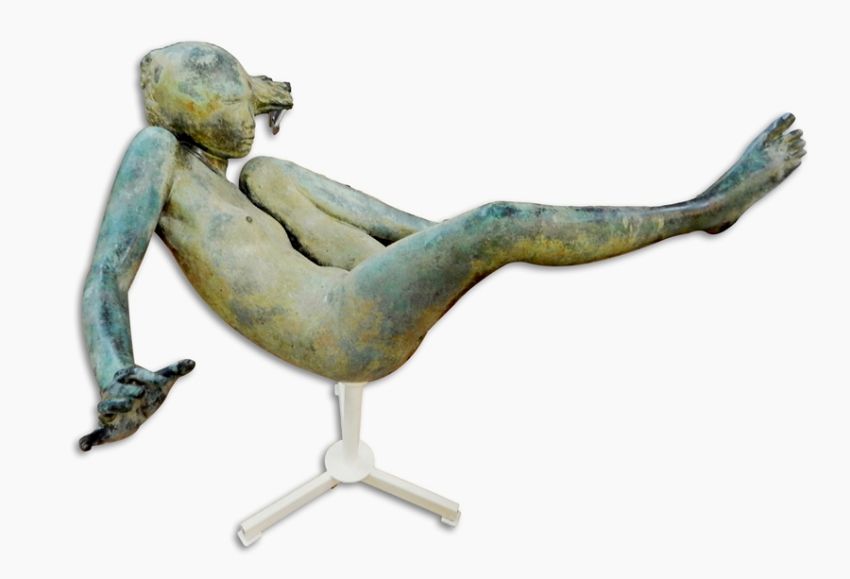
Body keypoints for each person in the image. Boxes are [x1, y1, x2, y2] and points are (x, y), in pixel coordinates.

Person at [79, 42, 806, 451]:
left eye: (243, 97)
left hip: (359, 281)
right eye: (226, 106)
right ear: (185, 118)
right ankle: (705, 211)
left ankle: (444, 243)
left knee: (273, 172)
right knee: (498, 221)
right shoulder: (156, 152)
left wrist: (254, 91)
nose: (243, 115)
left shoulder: (237, 175)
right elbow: (108, 274)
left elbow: (242, 116)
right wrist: (116, 372)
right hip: (341, 328)